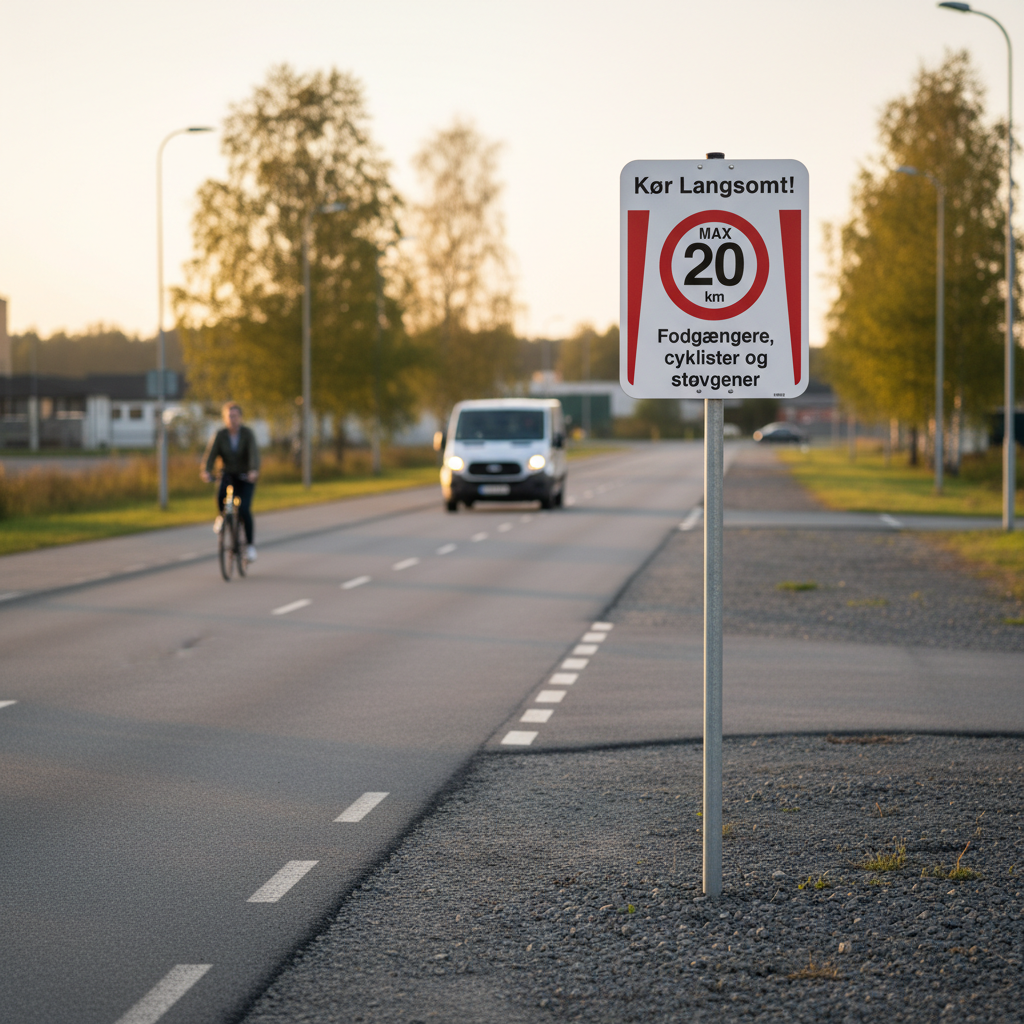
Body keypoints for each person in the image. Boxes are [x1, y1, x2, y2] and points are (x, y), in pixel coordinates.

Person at [201, 402, 261, 561]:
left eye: (235, 416)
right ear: (225, 418)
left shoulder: (247, 434)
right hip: (227, 474)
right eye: (229, 416)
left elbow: (254, 453)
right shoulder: (220, 434)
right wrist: (206, 471)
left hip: (245, 476)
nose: (232, 419)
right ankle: (222, 517)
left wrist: (253, 470)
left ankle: (249, 546)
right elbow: (211, 454)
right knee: (221, 495)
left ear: (240, 417)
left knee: (244, 509)